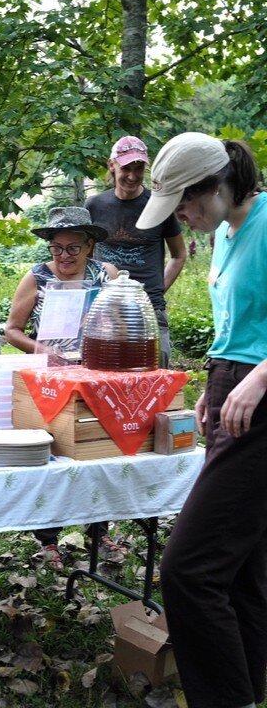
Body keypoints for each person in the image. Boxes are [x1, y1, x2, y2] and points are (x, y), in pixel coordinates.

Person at [137, 133, 267, 708]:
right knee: (242, 565)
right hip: (231, 391)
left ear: (216, 187)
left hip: (261, 399)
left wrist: (257, 378)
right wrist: (216, 383)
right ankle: (247, 690)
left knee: (188, 568)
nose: (184, 219)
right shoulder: (223, 233)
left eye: (186, 205)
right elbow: (239, 321)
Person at [4, 206, 119, 569]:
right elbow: (11, 330)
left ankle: (99, 530)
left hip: (95, 375)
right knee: (52, 453)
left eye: (72, 248)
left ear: (89, 246)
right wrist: (43, 349)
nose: (64, 256)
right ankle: (48, 538)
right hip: (49, 379)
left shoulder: (107, 275)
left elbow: (121, 320)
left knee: (97, 449)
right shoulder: (36, 277)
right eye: (57, 248)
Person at [86, 135, 186, 367]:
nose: (132, 176)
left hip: (150, 308)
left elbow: (179, 254)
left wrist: (157, 289)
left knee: (155, 372)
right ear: (112, 165)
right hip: (106, 309)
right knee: (106, 370)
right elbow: (87, 255)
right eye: (126, 168)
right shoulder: (95, 206)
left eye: (139, 168)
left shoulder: (159, 204)